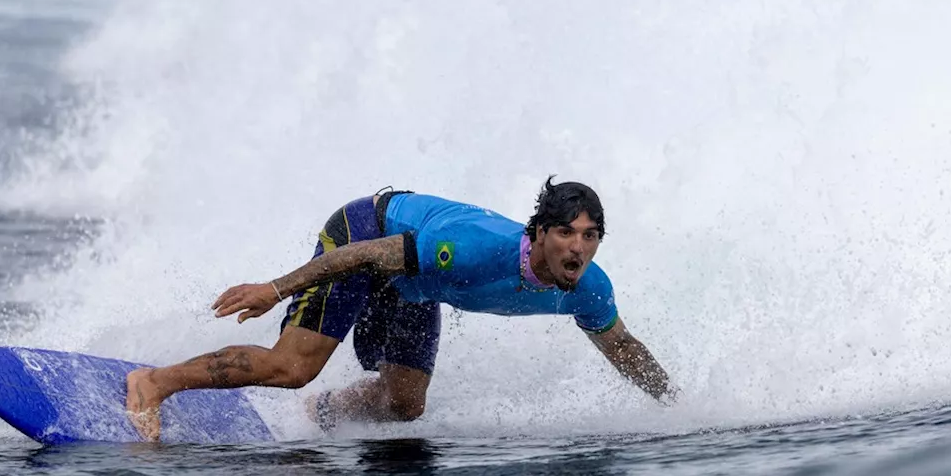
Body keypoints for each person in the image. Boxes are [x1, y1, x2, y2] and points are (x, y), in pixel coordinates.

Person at [125, 178, 675, 440]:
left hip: (415, 286)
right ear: (539, 233)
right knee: (292, 366)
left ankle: (320, 415)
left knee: (404, 404)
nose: (577, 247)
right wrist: (276, 288)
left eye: (590, 236)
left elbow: (622, 346)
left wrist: (679, 407)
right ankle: (154, 382)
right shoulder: (471, 249)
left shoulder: (589, 288)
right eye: (564, 233)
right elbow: (363, 254)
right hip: (367, 235)